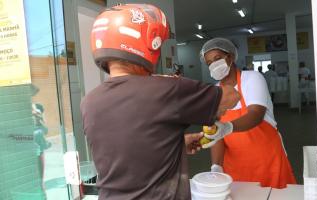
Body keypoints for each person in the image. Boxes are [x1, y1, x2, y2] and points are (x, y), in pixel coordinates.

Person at [81, 4, 239, 200]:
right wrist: (228, 69)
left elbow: (126, 147)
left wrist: (175, 144)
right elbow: (231, 97)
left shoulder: (89, 101)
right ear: (146, 44)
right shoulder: (168, 88)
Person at [199, 38, 296, 189]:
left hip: (267, 161)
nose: (213, 65)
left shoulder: (252, 78)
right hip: (235, 166)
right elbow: (216, 134)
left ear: (229, 57)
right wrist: (216, 166)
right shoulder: (214, 92)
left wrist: (228, 127)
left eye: (217, 59)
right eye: (209, 62)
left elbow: (255, 114)